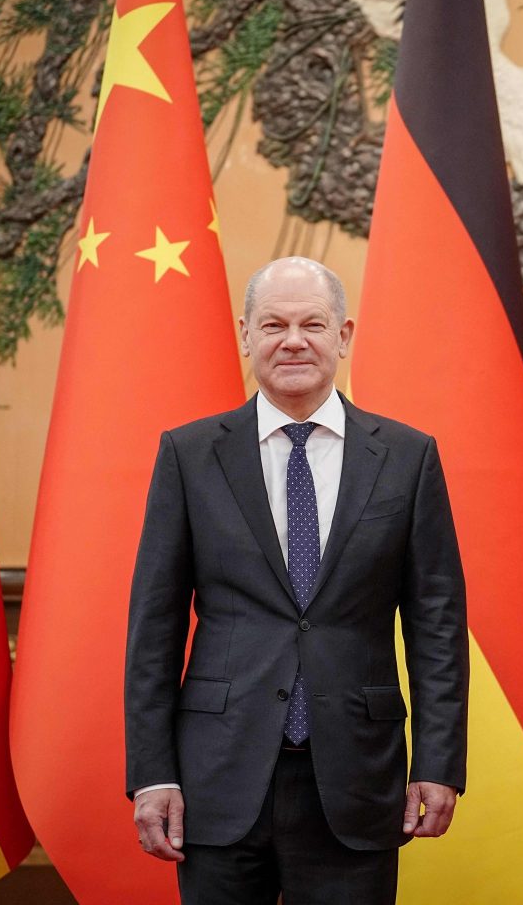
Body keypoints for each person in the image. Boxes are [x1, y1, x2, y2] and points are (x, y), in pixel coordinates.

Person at [124, 257, 469, 905]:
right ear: (246, 335)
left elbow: (437, 625)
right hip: (218, 775)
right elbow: (155, 627)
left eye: (312, 324)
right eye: (273, 324)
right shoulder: (190, 455)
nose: (293, 341)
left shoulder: (407, 457)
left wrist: (438, 761)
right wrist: (152, 773)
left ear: (343, 335)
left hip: (357, 775)